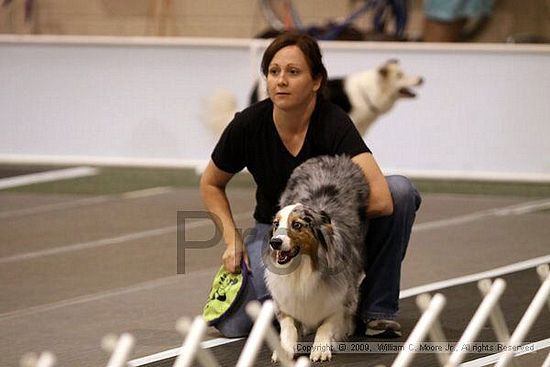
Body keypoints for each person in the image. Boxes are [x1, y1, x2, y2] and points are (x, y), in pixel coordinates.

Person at [200, 32, 421, 338]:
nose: (281, 81)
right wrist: (231, 239)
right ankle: (325, 305)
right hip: (273, 232)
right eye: (274, 72)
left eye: (293, 72)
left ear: (316, 81)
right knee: (236, 325)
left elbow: (383, 198)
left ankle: (375, 310)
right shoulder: (248, 124)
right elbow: (211, 183)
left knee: (401, 190)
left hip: (329, 229)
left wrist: (320, 225)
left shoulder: (334, 122)